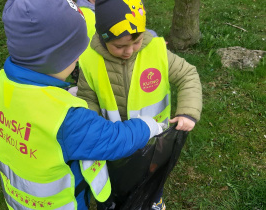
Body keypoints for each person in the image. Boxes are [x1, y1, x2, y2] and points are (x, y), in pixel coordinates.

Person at [0, 0, 165, 209]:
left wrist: (60, 93)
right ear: (56, 58)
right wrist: (147, 126)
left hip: (19, 199)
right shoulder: (68, 119)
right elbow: (114, 140)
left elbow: (32, 108)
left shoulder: (1, 84)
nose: (79, 57)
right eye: (74, 54)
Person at [77, 0, 203, 209]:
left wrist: (188, 112)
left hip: (153, 141)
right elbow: (86, 96)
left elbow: (188, 74)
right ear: (102, 36)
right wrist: (93, 123)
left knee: (151, 177)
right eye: (120, 46)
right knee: (114, 183)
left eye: (137, 41)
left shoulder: (156, 51)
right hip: (113, 140)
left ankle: (154, 200)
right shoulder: (89, 59)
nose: (129, 51)